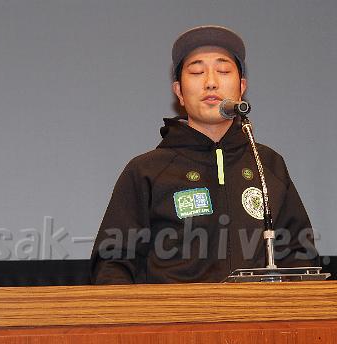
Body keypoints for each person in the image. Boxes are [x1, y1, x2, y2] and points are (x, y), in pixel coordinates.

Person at [91, 25, 318, 284]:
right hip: (174, 310)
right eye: (197, 72)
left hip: (257, 310)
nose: (211, 82)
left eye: (223, 71)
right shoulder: (146, 171)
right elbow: (112, 264)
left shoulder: (267, 165)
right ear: (179, 91)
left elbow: (301, 258)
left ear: (242, 87)